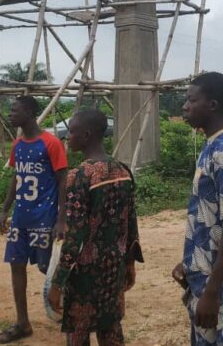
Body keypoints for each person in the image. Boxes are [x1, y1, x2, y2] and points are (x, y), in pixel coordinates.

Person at [47, 109, 142, 345]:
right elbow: (130, 224)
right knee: (110, 326)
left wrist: (57, 283)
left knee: (78, 331)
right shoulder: (123, 171)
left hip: (84, 275)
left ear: (87, 135)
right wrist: (129, 263)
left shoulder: (78, 177)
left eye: (71, 132)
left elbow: (74, 237)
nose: (68, 137)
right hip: (113, 268)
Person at [170, 72, 223, 345]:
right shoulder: (211, 146)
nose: (185, 106)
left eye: (191, 100)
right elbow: (209, 216)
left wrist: (213, 291)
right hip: (204, 275)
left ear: (212, 105)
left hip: (219, 285)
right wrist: (190, 261)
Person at [0, 96, 68, 343]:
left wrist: (61, 218)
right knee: (16, 265)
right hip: (21, 218)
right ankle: (22, 322)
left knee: (48, 268)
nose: (10, 113)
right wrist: (5, 209)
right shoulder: (18, 145)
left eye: (15, 110)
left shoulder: (51, 143)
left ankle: (76, 309)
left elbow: (62, 181)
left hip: (44, 218)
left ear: (29, 112)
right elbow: (16, 178)